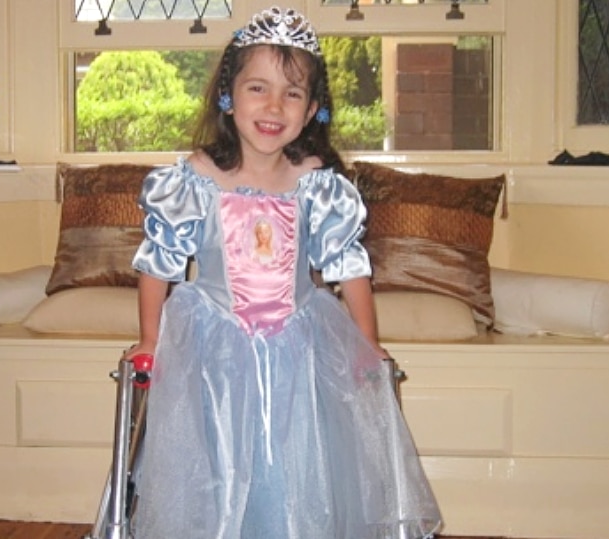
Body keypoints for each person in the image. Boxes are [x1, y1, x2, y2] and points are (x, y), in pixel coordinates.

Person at [127, 6, 442, 538]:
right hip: (213, 354)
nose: (274, 106)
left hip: (299, 348)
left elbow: (347, 266)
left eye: (292, 93)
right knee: (220, 470)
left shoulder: (316, 183)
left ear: (312, 108)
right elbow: (159, 261)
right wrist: (150, 341)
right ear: (228, 96)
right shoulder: (197, 177)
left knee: (299, 473)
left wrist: (367, 346)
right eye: (258, 88)